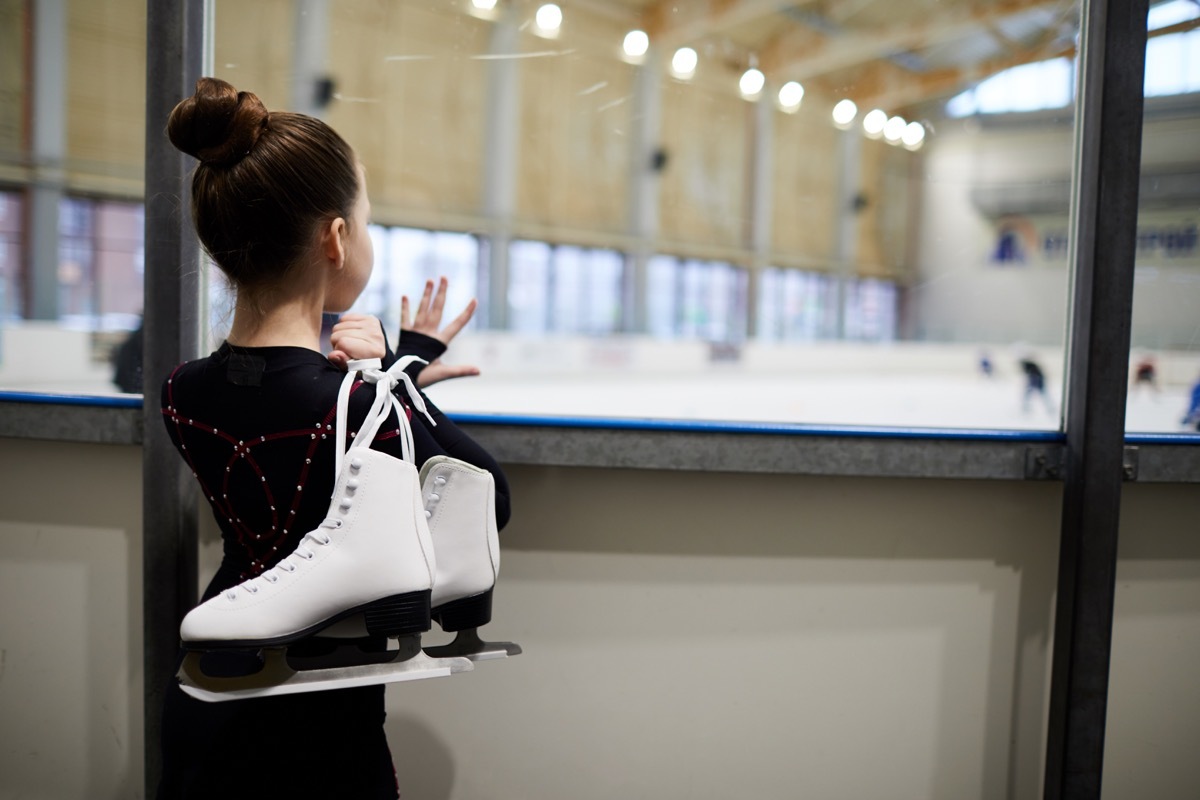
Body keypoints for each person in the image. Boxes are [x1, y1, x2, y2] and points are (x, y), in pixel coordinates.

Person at [156, 77, 509, 799]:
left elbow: (282, 404)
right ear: (336, 237)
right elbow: (487, 498)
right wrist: (397, 381)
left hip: (208, 693)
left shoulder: (182, 389)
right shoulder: (352, 398)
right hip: (316, 720)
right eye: (368, 221)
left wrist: (387, 376)